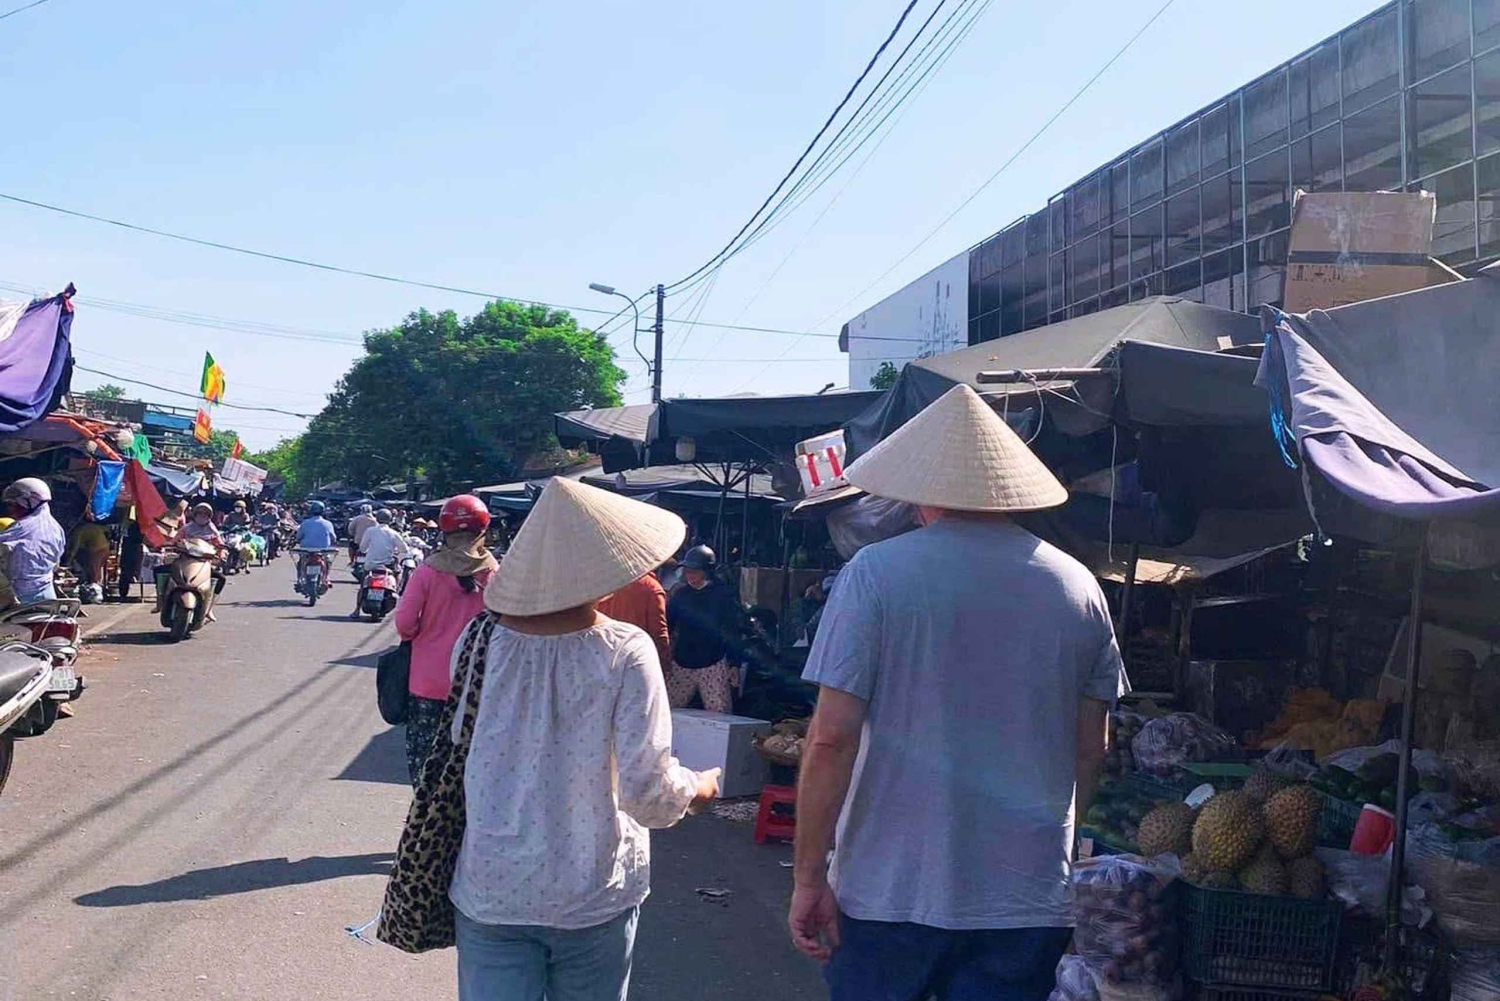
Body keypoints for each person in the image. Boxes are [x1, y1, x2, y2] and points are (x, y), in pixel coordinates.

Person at [788, 385, 1126, 1001]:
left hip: (888, 892)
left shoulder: (875, 574)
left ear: (920, 493)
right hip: (1025, 899)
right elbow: (1091, 749)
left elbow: (830, 740)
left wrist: (809, 876)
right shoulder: (1078, 586)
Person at [444, 477, 719, 1001]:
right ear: (607, 575)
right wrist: (700, 789)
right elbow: (648, 794)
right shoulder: (624, 649)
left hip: (492, 886)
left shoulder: (478, 641)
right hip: (591, 891)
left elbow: (463, 744)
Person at [393, 495, 496, 785]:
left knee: (427, 768)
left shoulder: (428, 570)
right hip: (477, 685)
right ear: (483, 531)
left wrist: (422, 635)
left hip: (428, 684)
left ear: (444, 529)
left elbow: (404, 624)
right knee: (470, 768)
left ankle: (425, 823)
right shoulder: (494, 573)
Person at [663, 544, 742, 713]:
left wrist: (734, 663)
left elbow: (732, 631)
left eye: (695, 571)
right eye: (688, 571)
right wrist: (663, 655)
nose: (690, 576)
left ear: (707, 571)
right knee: (666, 710)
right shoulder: (681, 596)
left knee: (719, 714)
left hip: (712, 663)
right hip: (682, 661)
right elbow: (667, 626)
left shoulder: (722, 596)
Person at [0, 478, 66, 604]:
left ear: (31, 502)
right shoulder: (57, 529)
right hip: (47, 594)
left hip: (18, 597)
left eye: (15, 505)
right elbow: (56, 563)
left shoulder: (21, 527)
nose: (11, 509)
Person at [597, 570, 671, 675]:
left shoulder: (606, 583)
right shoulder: (651, 587)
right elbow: (658, 632)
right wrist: (664, 665)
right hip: (637, 660)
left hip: (606, 657)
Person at [350, 509, 409, 618]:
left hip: (370, 564)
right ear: (390, 520)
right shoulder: (393, 533)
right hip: (387, 565)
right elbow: (404, 549)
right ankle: (395, 590)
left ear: (377, 519)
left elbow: (363, 548)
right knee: (399, 572)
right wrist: (396, 552)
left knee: (363, 585)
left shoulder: (370, 531)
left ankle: (357, 610)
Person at [294, 501, 339, 589]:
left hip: (307, 550)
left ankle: (300, 579)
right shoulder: (328, 523)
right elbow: (334, 537)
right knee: (328, 561)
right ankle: (326, 578)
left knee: (301, 563)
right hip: (323, 551)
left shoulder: (305, 523)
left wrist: (298, 540)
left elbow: (298, 537)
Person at [66, 514, 111, 601]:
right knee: (100, 570)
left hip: (96, 549)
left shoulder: (77, 532)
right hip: (105, 547)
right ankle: (101, 589)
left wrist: (69, 560)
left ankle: (96, 592)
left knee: (94, 572)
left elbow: (74, 548)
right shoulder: (91, 526)